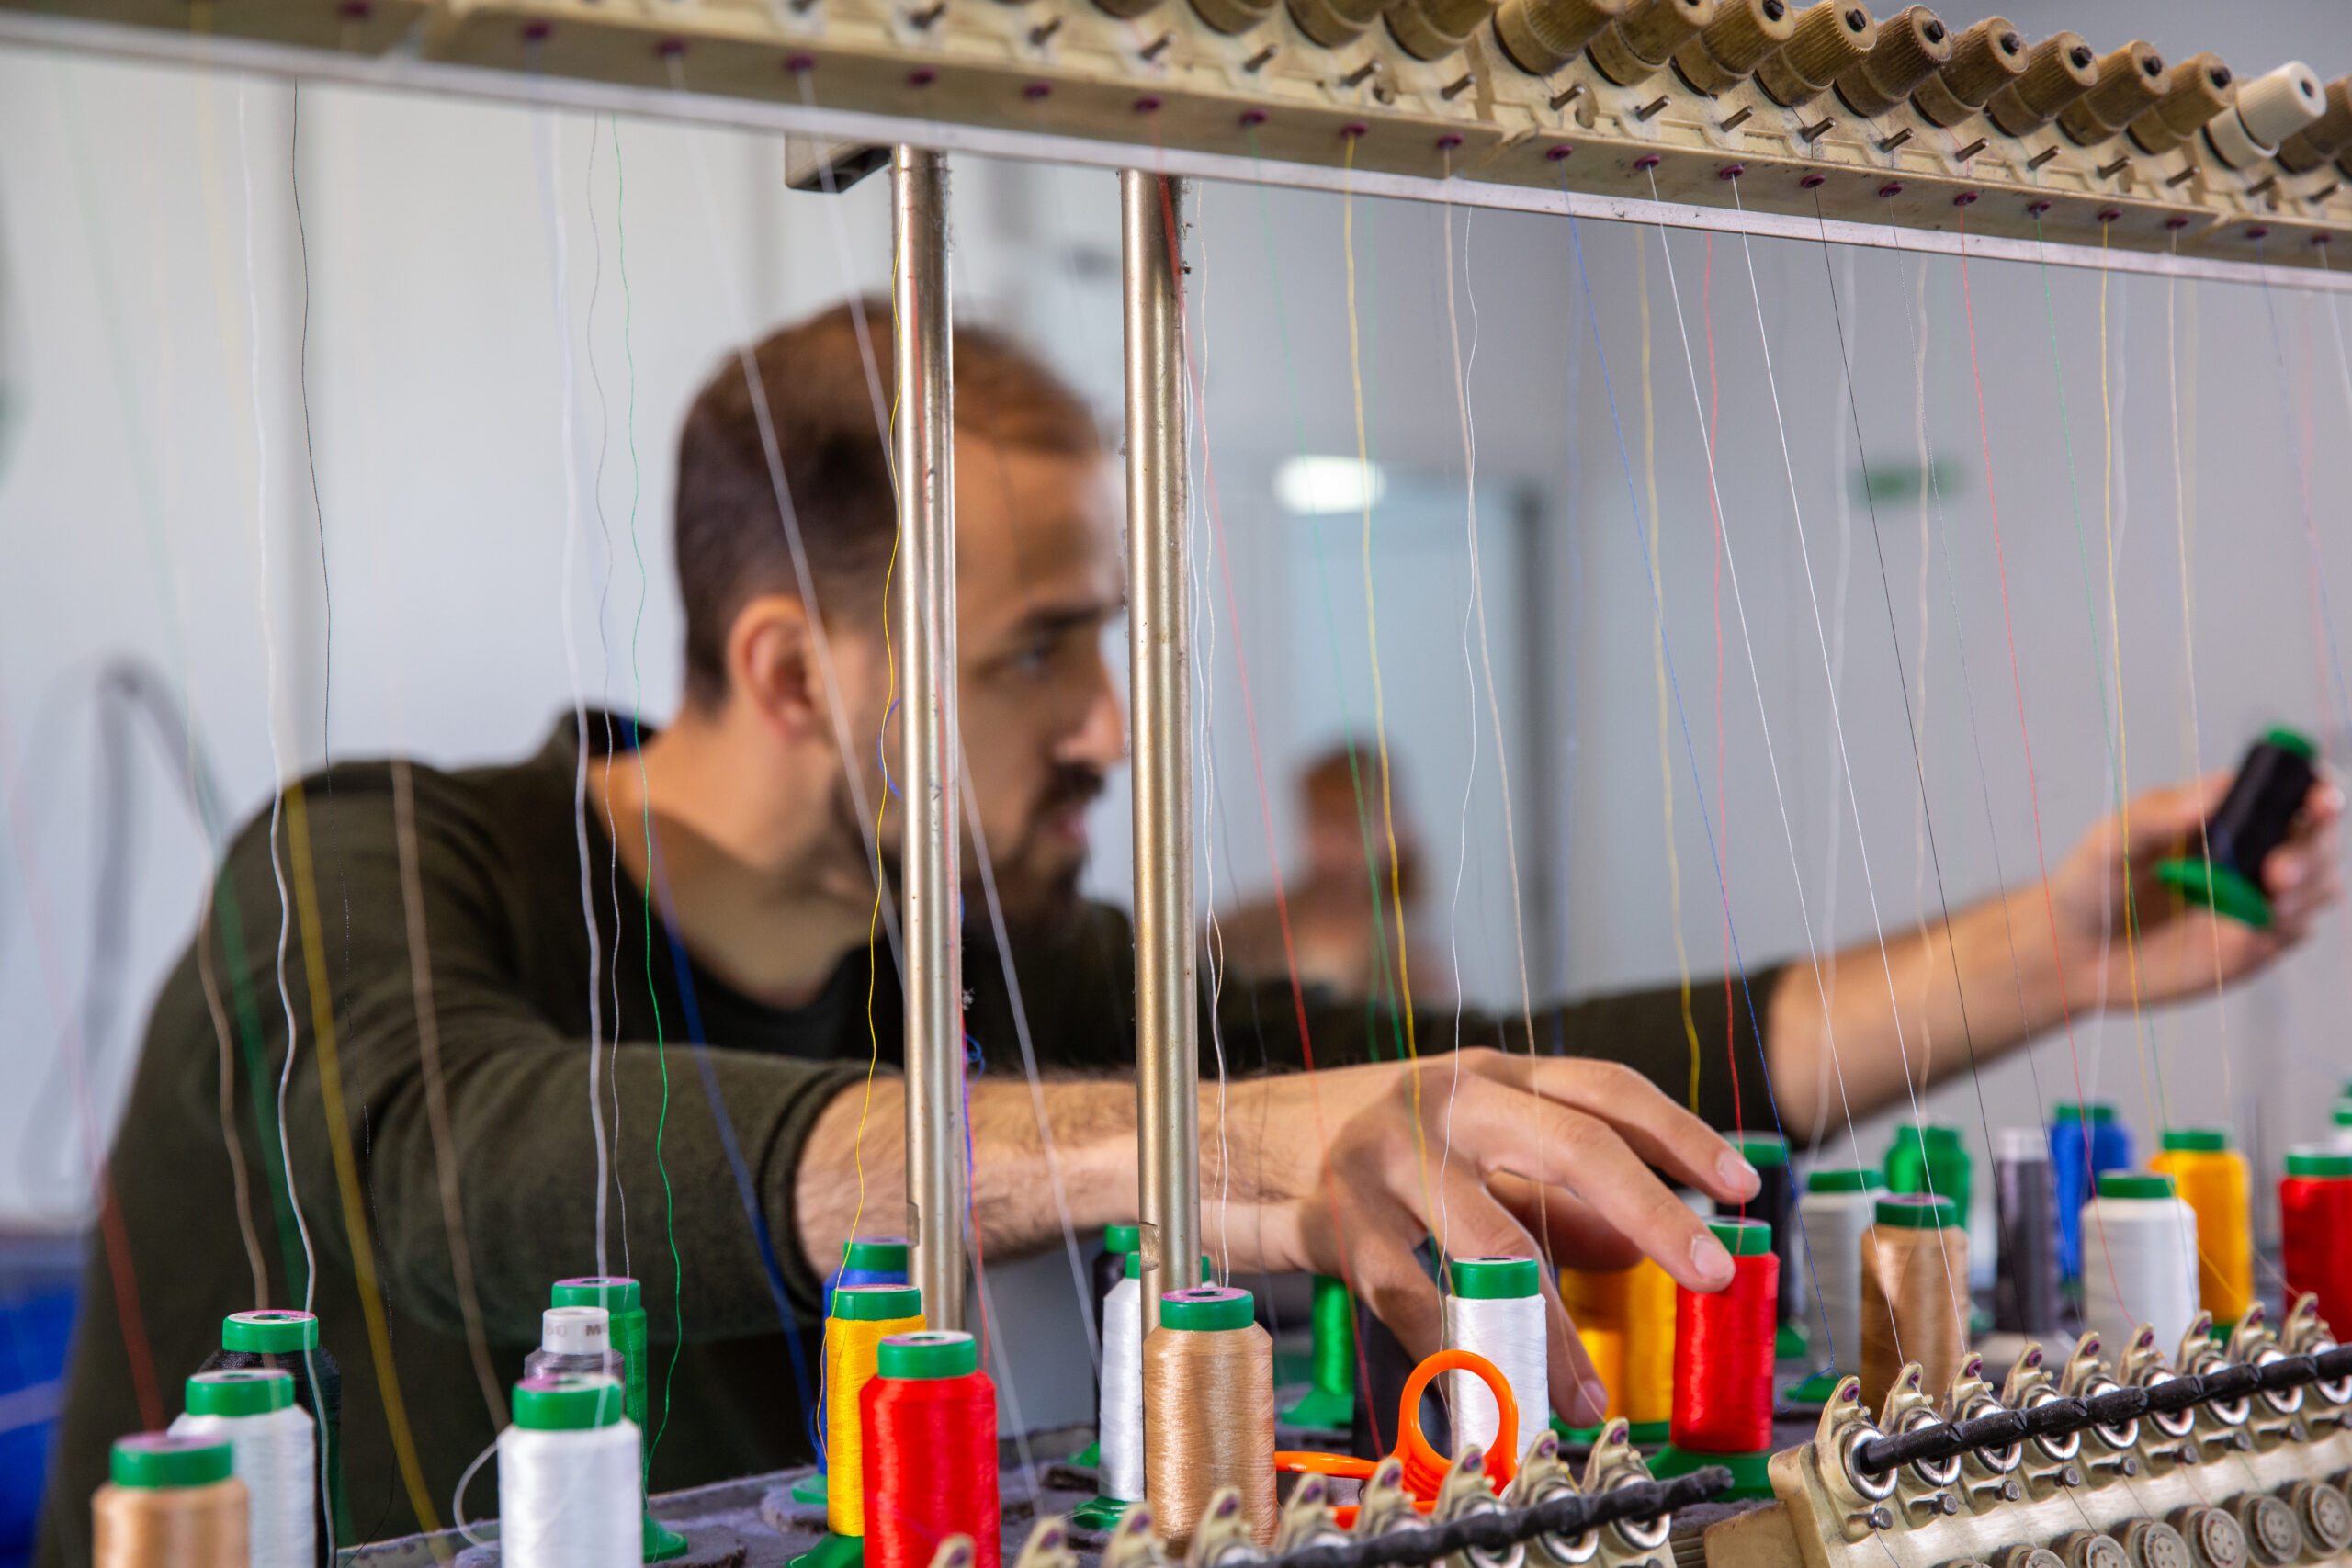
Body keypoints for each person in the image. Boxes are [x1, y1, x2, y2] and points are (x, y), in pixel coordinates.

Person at [40, 301, 2340, 1556]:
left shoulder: (981, 942)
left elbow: (1464, 1053)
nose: (1109, 721)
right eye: (1037, 646)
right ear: (783, 669)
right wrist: (1205, 1141)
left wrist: (2037, 956)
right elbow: (489, 1154)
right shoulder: (361, 870)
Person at [1216, 742, 1449, 1005]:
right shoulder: (1241, 930)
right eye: (1322, 822)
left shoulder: (1418, 960)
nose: (1334, 847)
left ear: (1398, 829)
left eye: (1352, 827)